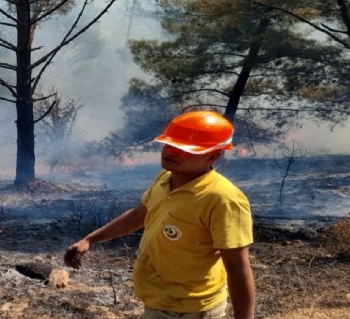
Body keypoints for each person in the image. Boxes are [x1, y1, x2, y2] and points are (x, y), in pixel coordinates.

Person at [64, 111, 255, 319]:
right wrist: (91, 239)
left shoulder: (223, 199)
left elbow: (237, 267)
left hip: (190, 310)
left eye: (183, 149)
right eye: (169, 144)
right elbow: (139, 215)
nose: (171, 152)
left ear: (213, 156)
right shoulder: (166, 177)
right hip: (158, 302)